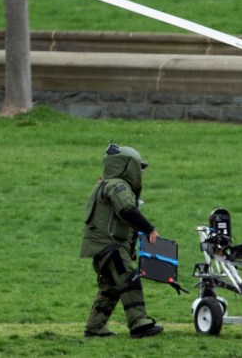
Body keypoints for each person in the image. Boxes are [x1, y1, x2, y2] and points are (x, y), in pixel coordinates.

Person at [80, 143, 164, 339]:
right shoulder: (118, 186)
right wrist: (149, 229)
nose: (141, 173)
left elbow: (122, 219)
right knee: (129, 279)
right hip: (110, 246)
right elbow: (127, 211)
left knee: (111, 287)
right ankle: (139, 323)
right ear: (127, 165)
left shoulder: (105, 184)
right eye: (139, 168)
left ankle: (94, 328)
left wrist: (131, 247)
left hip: (101, 247)